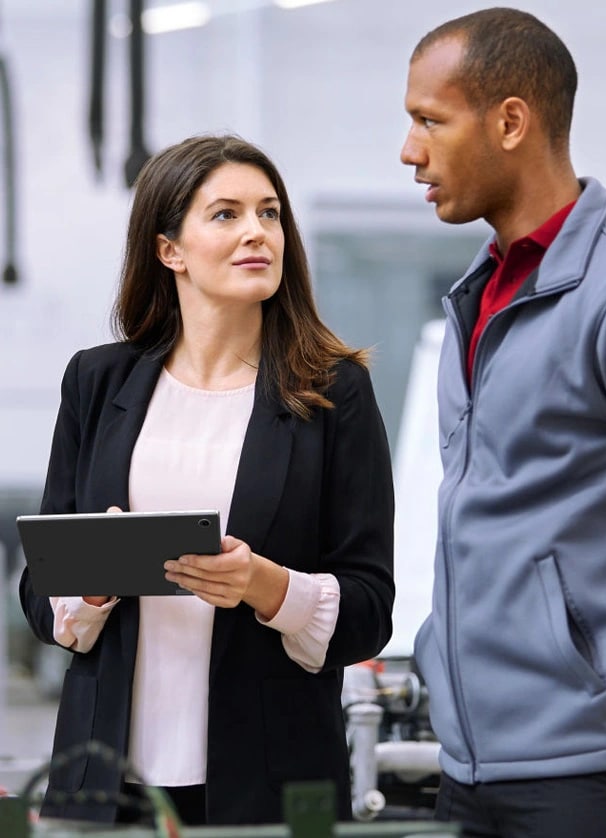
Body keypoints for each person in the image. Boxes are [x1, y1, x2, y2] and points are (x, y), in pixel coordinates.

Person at [19, 134, 395, 827]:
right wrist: (92, 584)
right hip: (107, 784)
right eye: (226, 214)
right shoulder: (97, 383)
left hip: (273, 780)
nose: (258, 232)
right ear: (170, 250)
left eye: (270, 213)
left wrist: (265, 586)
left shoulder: (335, 393)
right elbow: (42, 596)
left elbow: (371, 608)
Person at [400, 8, 606, 838]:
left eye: (430, 122)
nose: (410, 152)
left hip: (595, 772)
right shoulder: (479, 291)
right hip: (471, 764)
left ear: (510, 121)